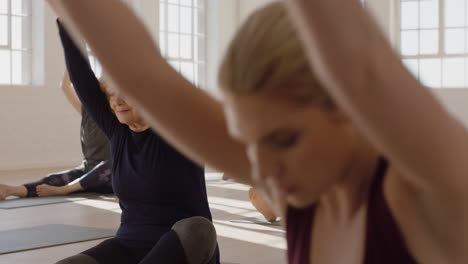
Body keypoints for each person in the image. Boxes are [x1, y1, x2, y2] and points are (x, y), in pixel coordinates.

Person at [47, 0, 468, 263]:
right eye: (251, 142)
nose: (262, 169)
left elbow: (363, 65)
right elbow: (140, 70)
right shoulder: (306, 193)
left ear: (346, 105)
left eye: (284, 139)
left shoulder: (429, 191)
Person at [54, 18, 219, 264]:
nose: (117, 101)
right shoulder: (119, 133)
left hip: (181, 250)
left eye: (125, 93)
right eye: (111, 94)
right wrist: (68, 21)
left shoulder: (180, 131)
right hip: (128, 246)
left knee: (197, 229)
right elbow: (82, 80)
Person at [0, 72, 113, 200]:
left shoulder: (123, 115)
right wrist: (74, 54)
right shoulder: (87, 112)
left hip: (114, 178)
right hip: (88, 173)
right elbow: (65, 86)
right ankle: (12, 190)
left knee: (111, 164)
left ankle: (64, 190)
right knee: (57, 178)